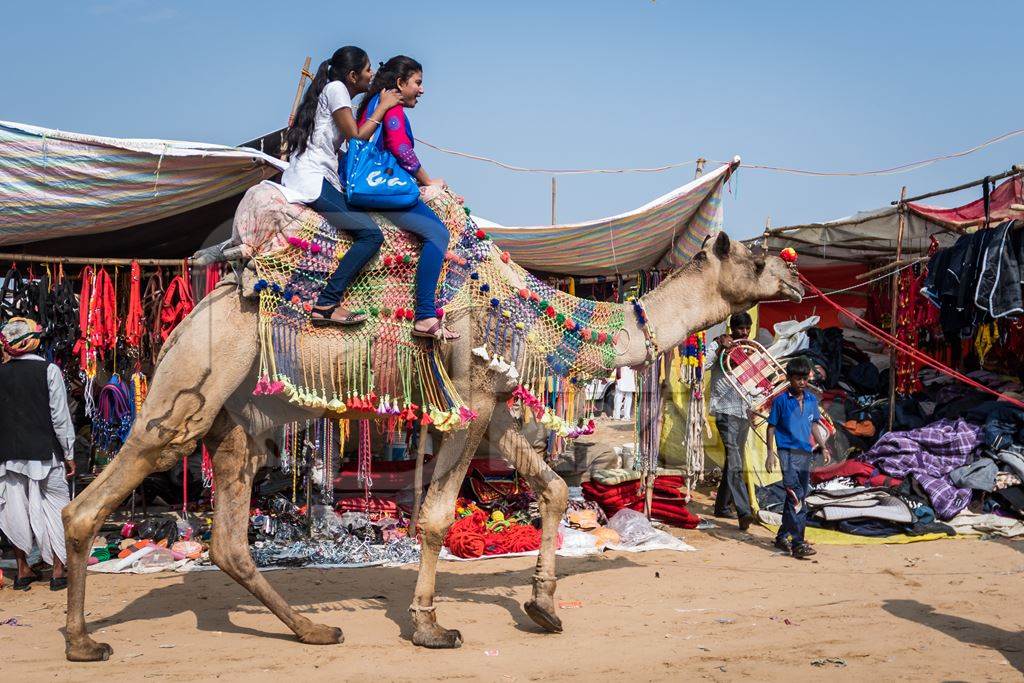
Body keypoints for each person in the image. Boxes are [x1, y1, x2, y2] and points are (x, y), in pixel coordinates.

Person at [279, 46, 403, 326]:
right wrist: (383, 107)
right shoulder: (336, 89)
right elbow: (357, 137)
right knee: (371, 236)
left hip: (315, 176)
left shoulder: (337, 93)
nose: (371, 75)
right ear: (351, 75)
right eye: (367, 69)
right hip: (313, 180)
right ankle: (326, 303)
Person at [355, 55, 458, 340]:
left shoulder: (374, 103)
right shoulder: (393, 109)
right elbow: (402, 151)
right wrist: (429, 182)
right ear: (400, 83)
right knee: (438, 234)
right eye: (418, 83)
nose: (422, 90)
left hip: (370, 184)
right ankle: (425, 314)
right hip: (382, 191)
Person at [0, 318, 75, 591]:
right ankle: (57, 571)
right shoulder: (49, 370)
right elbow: (60, 417)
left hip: (7, 456)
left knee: (13, 511)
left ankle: (23, 571)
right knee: (56, 508)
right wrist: (69, 453)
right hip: (45, 456)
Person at [765, 356, 831, 559]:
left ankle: (782, 535)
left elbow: (814, 425)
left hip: (805, 453)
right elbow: (771, 427)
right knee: (797, 498)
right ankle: (799, 543)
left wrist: (823, 446)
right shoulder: (780, 401)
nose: (801, 382)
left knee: (796, 496)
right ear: (789, 379)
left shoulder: (811, 400)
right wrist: (769, 454)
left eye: (804, 378)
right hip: (786, 453)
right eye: (797, 378)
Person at [706, 312, 754, 530]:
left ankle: (721, 507)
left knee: (732, 461)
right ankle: (744, 511)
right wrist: (717, 345)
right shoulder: (722, 345)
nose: (743, 332)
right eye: (740, 329)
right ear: (732, 329)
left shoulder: (750, 349)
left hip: (743, 412)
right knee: (735, 461)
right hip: (726, 412)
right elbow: (704, 364)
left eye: (747, 328)